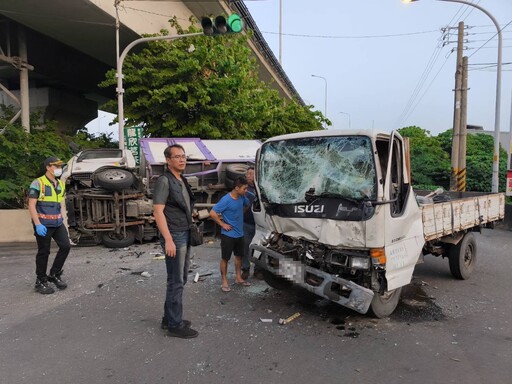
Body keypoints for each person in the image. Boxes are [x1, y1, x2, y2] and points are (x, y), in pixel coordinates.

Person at [153, 144, 199, 339]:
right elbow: (158, 211)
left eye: (183, 156)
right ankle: (175, 325)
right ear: (168, 160)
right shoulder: (164, 181)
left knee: (181, 278)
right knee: (176, 280)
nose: (182, 159)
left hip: (185, 232)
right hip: (175, 235)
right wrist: (168, 239)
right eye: (177, 156)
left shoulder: (182, 180)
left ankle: (168, 318)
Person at [28, 156, 71, 294]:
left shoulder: (61, 184)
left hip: (57, 223)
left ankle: (54, 274)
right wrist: (37, 224)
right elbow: (31, 205)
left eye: (60, 166)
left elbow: (59, 205)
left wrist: (64, 221)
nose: (59, 169)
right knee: (44, 251)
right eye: (56, 166)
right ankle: (40, 281)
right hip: (43, 224)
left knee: (65, 246)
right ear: (48, 167)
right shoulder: (38, 183)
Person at [210, 177, 250, 292]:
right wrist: (222, 224)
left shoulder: (242, 197)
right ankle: (224, 281)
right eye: (244, 188)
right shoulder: (226, 200)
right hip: (228, 235)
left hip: (240, 234)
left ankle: (238, 277)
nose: (246, 190)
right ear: (237, 188)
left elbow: (247, 205)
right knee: (225, 258)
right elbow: (212, 213)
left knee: (239, 257)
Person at [241, 166, 256, 280]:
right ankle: (245, 269)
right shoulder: (244, 190)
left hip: (260, 225)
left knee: (259, 248)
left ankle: (259, 270)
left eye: (251, 174)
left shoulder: (262, 189)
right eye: (248, 174)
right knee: (245, 246)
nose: (249, 176)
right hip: (246, 223)